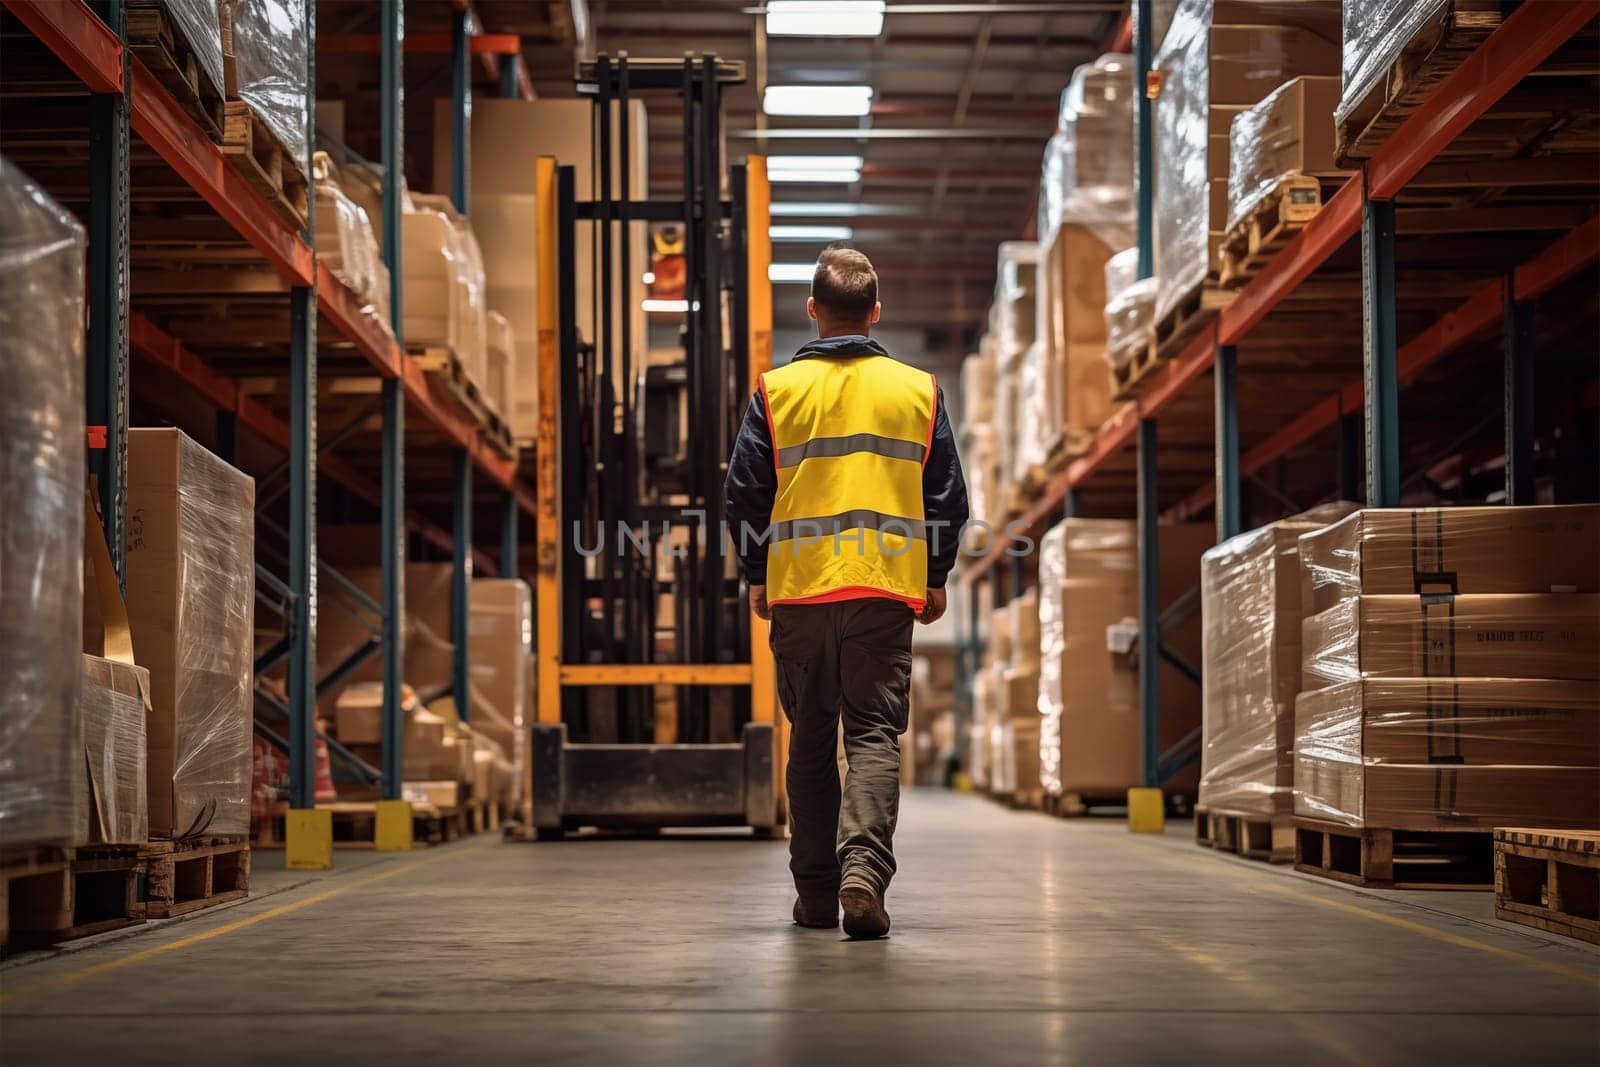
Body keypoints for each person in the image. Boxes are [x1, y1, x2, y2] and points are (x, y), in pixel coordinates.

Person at [725, 246, 969, 939]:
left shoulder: (776, 393)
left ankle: (814, 894)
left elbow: (743, 497)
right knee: (872, 735)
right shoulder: (918, 391)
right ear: (876, 312)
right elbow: (947, 496)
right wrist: (934, 575)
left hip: (800, 594)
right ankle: (863, 872)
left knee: (809, 739)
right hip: (884, 595)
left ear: (812, 310)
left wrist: (757, 576)